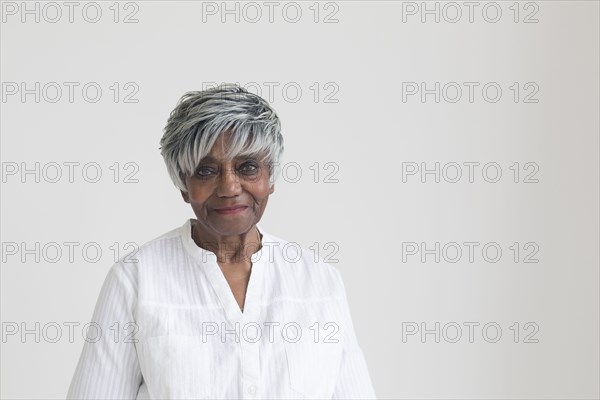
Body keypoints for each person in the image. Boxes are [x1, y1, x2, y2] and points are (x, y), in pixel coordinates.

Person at [67, 84, 376, 399]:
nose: (229, 186)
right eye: (206, 171)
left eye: (248, 167)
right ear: (183, 186)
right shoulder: (136, 279)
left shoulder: (320, 282)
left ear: (270, 178)